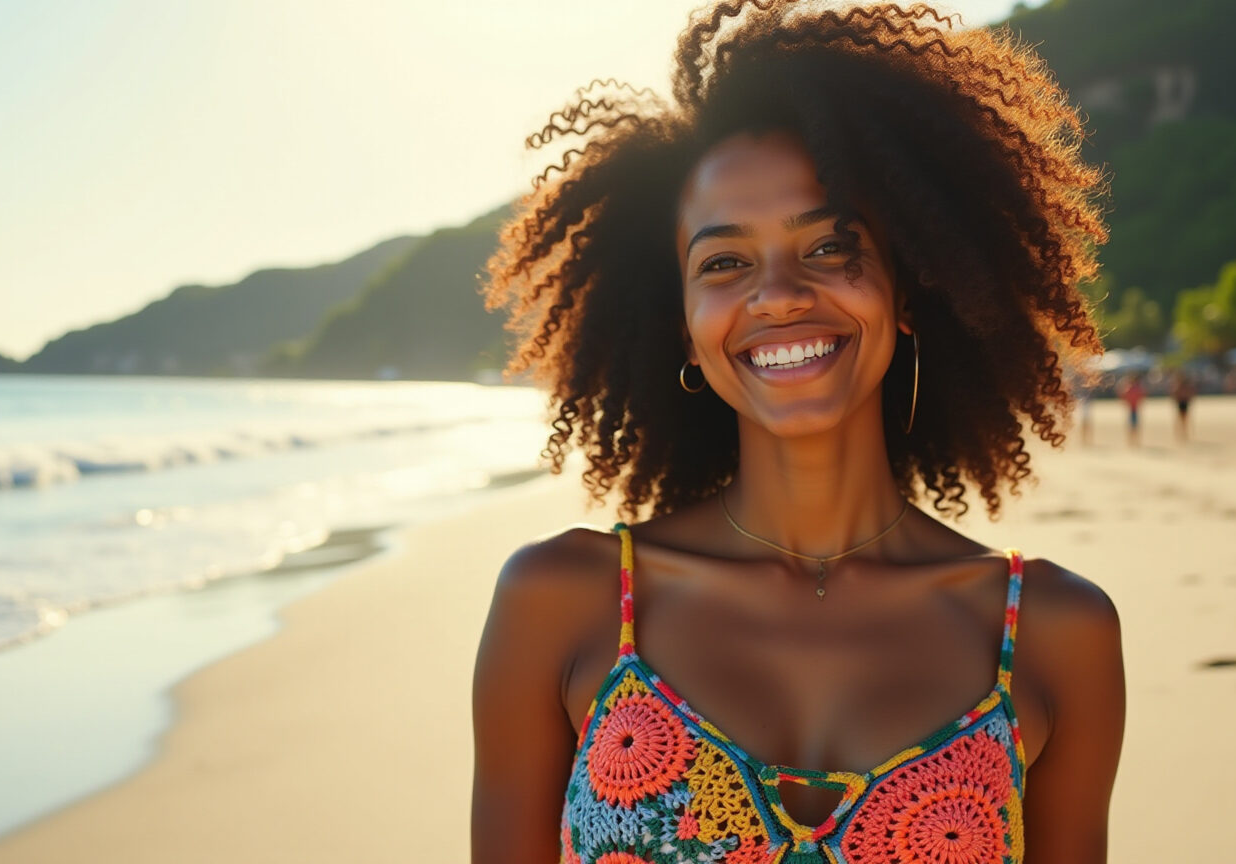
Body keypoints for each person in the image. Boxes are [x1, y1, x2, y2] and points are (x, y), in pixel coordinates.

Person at [473, 4, 1126, 862]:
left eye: (830, 246)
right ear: (682, 326)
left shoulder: (1053, 631)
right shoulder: (561, 603)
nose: (777, 294)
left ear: (908, 288)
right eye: (724, 262)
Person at [1117, 373, 1145, 447]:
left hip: (1134, 408)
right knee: (1133, 425)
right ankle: (1132, 441)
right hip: (1133, 408)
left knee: (1133, 425)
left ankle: (1133, 441)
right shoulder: (1133, 388)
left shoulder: (1132, 388)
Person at [1169, 370, 1195, 443]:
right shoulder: (1179, 385)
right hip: (1181, 402)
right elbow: (1175, 394)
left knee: (1184, 418)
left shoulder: (1183, 385)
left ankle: (1183, 432)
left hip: (1184, 402)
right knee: (1181, 418)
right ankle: (1180, 432)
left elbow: (1189, 394)